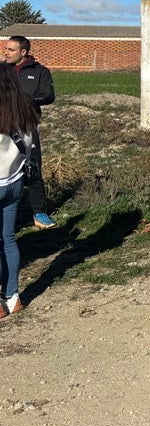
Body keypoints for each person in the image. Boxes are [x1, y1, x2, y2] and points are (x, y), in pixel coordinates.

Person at [4, 35, 56, 229]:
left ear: (23, 52)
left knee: (32, 169)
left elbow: (49, 96)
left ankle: (39, 213)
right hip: (3, 129)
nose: (6, 53)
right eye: (5, 49)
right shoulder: (2, 71)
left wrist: (28, 101)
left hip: (27, 128)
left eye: (11, 50)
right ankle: (9, 212)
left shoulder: (40, 71)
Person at [0, 65, 39, 318]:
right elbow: (30, 145)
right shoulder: (26, 112)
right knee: (9, 240)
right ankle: (13, 297)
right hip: (14, 181)